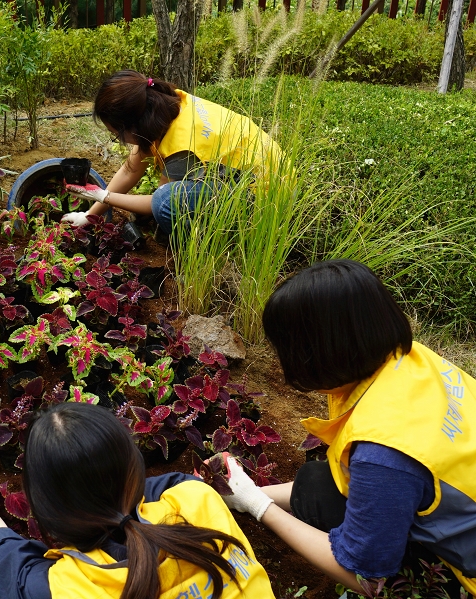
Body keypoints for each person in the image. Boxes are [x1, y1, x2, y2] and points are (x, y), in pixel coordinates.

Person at [218, 259, 476, 597]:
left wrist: (257, 507)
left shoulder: (384, 453)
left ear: (316, 352)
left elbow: (366, 577)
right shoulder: (410, 359)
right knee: (319, 484)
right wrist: (245, 491)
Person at [0, 402, 276, 599]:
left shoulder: (62, 586)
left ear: (47, 513)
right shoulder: (195, 496)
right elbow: (161, 486)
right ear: (135, 468)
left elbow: (3, 554)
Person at [62, 70, 286, 235]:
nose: (120, 141)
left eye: (116, 134)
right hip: (257, 176)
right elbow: (131, 170)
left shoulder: (182, 145)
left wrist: (104, 195)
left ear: (133, 126)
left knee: (165, 203)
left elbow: (159, 199)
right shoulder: (164, 105)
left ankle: (213, 244)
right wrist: (88, 216)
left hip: (266, 200)